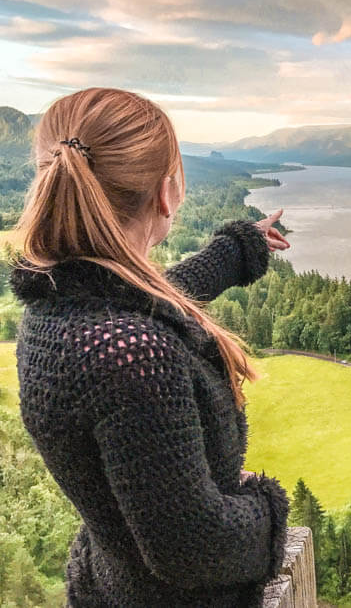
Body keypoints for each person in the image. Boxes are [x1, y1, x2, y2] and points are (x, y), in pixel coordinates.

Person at [9, 88, 293, 606]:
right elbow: (193, 546)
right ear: (166, 193)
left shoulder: (58, 311)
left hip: (112, 584)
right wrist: (267, 506)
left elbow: (142, 301)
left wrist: (234, 252)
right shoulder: (132, 355)